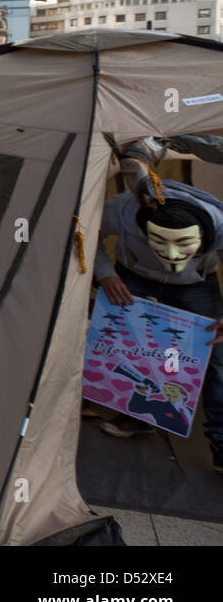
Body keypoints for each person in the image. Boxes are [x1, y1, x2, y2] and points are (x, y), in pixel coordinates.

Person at [94, 176, 223, 474]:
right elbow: (86, 230)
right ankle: (138, 415)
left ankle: (221, 441)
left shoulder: (219, 223)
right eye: (160, 242)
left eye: (184, 245)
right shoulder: (122, 210)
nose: (173, 255)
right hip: (133, 276)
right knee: (133, 344)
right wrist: (105, 274)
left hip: (195, 284)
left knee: (217, 358)